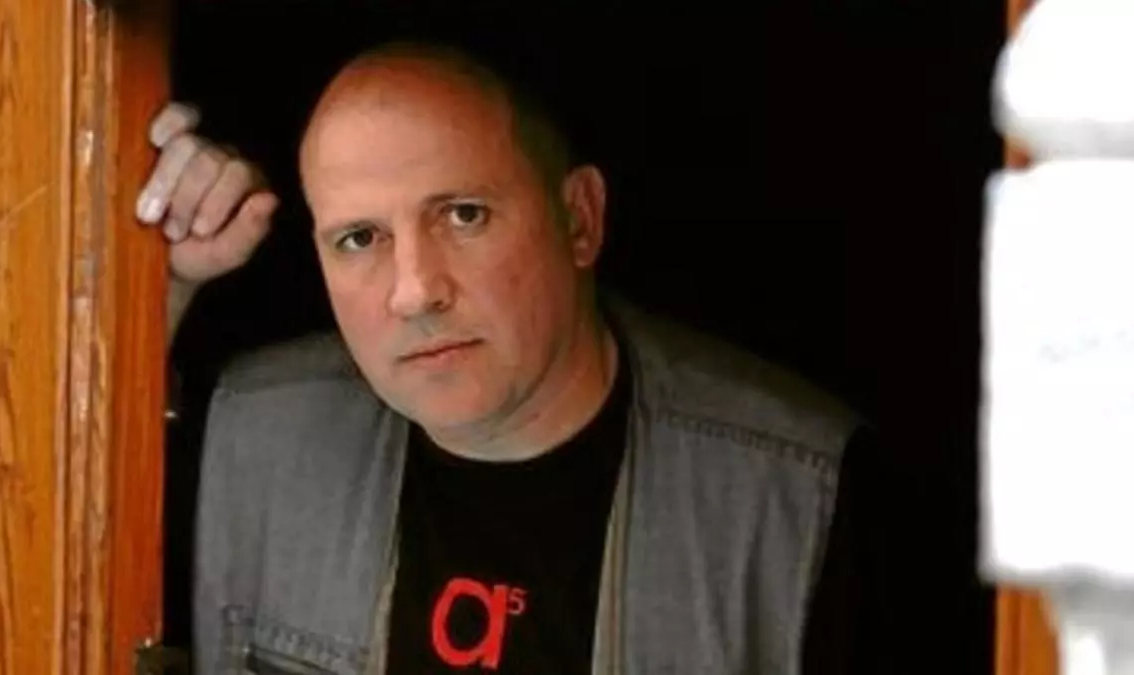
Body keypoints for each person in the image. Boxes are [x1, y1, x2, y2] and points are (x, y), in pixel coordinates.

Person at [140, 41, 884, 675]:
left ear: (580, 220)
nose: (415, 291)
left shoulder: (801, 495)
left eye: (463, 215)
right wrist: (147, 285)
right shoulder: (243, 430)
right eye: (360, 239)